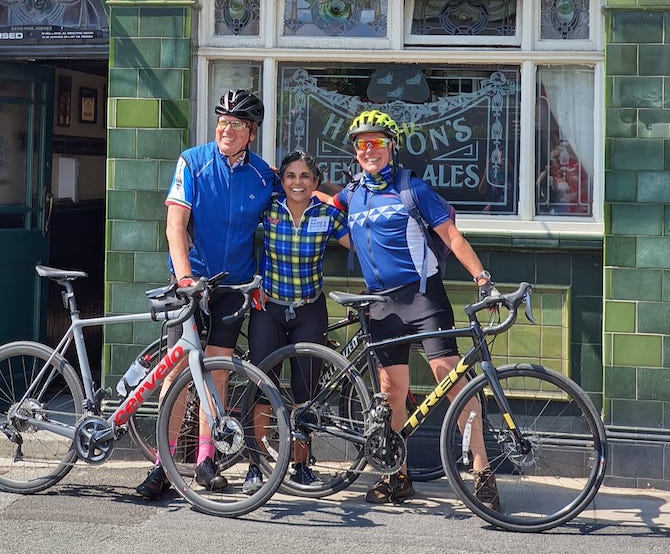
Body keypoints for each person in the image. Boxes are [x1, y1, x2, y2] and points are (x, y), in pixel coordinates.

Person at [332, 109, 500, 508]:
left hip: (422, 296)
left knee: (451, 379)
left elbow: (452, 236)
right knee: (391, 393)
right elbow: (318, 201)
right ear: (355, 152)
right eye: (362, 144)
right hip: (378, 303)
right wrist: (278, 179)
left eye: (376, 142)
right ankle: (397, 476)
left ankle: (482, 472)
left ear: (392, 146)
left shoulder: (412, 188)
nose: (369, 149)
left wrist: (481, 278)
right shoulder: (351, 193)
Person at [135, 88, 280, 499]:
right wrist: (184, 279)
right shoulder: (193, 161)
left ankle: (204, 461)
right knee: (177, 371)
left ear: (252, 132)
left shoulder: (262, 175)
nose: (226, 129)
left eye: (236, 123)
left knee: (216, 372)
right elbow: (175, 226)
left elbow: (299, 197)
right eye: (222, 121)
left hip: (233, 286)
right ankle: (161, 465)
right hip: (192, 284)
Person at [244, 150, 350, 495]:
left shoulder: (327, 214)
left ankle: (302, 465)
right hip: (268, 308)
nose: (297, 183)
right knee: (263, 388)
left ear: (315, 182)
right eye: (290, 176)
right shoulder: (268, 208)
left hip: (309, 309)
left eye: (305, 176)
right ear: (282, 181)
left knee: (306, 393)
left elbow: (362, 243)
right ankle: (256, 465)